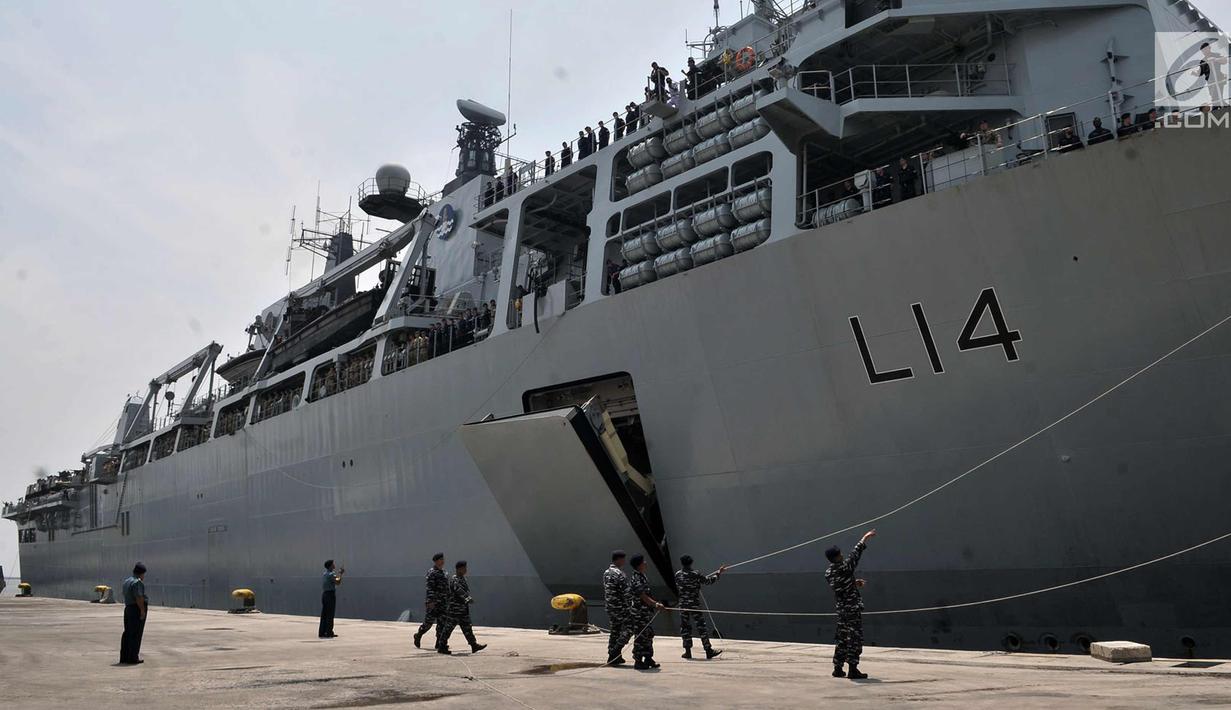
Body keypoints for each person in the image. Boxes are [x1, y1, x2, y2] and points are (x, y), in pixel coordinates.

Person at [825, 529, 876, 680]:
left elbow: (840, 585)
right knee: (854, 638)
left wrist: (853, 583)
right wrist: (864, 539)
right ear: (836, 557)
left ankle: (838, 668)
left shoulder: (828, 572)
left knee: (842, 637)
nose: (842, 555)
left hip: (841, 609)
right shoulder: (844, 567)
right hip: (852, 608)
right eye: (840, 554)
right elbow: (855, 556)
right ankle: (853, 669)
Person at [674, 555, 727, 659]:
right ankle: (708, 650)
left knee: (685, 628)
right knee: (701, 627)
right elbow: (709, 581)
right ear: (691, 563)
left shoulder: (677, 574)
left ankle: (688, 651)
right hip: (694, 604)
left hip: (683, 605)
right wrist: (719, 573)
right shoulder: (695, 574)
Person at [436, 561, 487, 655]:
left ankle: (473, 645)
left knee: (467, 627)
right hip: (455, 610)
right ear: (459, 569)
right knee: (448, 628)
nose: (466, 570)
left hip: (462, 609)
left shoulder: (463, 579)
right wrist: (467, 598)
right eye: (464, 568)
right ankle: (441, 646)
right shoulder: (455, 579)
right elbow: (458, 590)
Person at [628, 553, 664, 670]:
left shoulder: (642, 576)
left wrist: (653, 604)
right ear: (639, 565)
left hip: (645, 612)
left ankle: (648, 658)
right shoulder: (636, 578)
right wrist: (655, 604)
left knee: (648, 635)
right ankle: (638, 661)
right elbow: (643, 596)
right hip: (639, 613)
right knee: (640, 636)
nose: (646, 563)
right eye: (643, 562)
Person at [413, 553, 449, 650]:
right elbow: (430, 588)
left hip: (443, 603)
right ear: (436, 561)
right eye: (441, 559)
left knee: (442, 623)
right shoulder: (432, 572)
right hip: (433, 603)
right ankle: (418, 635)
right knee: (428, 624)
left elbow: (447, 588)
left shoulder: (445, 573)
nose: (443, 561)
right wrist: (430, 601)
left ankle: (439, 643)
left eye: (443, 559)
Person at [602, 550, 632, 666]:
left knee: (615, 630)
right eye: (623, 559)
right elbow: (626, 593)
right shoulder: (619, 573)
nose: (624, 561)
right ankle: (615, 651)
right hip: (620, 607)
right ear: (619, 559)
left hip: (610, 606)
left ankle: (613, 656)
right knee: (630, 627)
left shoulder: (606, 572)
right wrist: (631, 605)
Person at [119, 562, 149, 664]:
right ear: (141, 573)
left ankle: (124, 657)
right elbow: (139, 597)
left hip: (128, 609)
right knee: (136, 633)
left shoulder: (127, 581)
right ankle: (133, 657)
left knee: (127, 633)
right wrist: (142, 611)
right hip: (135, 609)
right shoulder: (137, 582)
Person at [319, 559, 344, 638]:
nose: (334, 565)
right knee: (330, 614)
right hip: (330, 595)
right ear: (330, 566)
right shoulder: (331, 574)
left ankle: (322, 632)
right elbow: (338, 582)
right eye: (333, 564)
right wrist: (340, 573)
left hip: (324, 595)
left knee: (324, 614)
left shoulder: (324, 574)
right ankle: (329, 632)